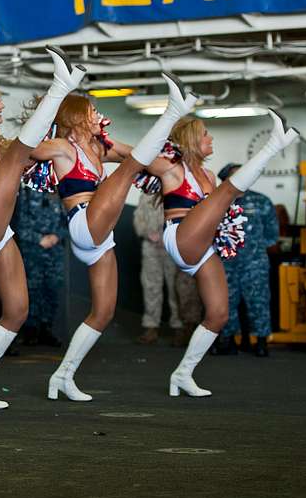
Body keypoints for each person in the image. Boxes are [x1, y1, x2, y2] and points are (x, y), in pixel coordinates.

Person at [38, 75, 196, 402]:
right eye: (92, 111)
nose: (98, 116)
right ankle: (172, 109)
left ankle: (62, 376)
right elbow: (22, 150)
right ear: (77, 118)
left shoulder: (100, 148)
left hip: (102, 236)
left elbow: (147, 159)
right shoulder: (62, 148)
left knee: (104, 311)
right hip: (83, 223)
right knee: (127, 171)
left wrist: (173, 170)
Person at [0, 45, 86, 409]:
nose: (2, 108)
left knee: (18, 309)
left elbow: (43, 147)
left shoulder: (4, 144)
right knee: (16, 157)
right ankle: (59, 84)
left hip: (0, 232)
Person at [147, 113, 298, 396]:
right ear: (192, 140)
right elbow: (135, 158)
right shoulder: (172, 168)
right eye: (205, 133)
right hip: (180, 236)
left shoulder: (208, 176)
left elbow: (216, 214)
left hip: (204, 246)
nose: (211, 138)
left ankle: (182, 374)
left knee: (219, 314)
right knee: (228, 191)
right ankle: (273, 145)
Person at [214, 163, 280, 357]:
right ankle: (228, 341)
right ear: (225, 179)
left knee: (258, 301)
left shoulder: (262, 201)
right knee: (226, 302)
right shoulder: (216, 202)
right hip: (226, 263)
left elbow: (272, 234)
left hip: (254, 264)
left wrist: (255, 250)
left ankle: (261, 342)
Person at [13, 186, 66, 347]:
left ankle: (46, 329)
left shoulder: (60, 191)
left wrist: (57, 236)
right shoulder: (27, 191)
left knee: (52, 288)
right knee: (32, 289)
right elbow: (19, 222)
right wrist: (38, 239)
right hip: (33, 248)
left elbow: (69, 219)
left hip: (55, 249)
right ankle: (30, 330)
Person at [133, 197, 182, 345]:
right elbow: (138, 219)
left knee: (176, 288)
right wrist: (147, 233)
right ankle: (151, 327)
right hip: (150, 247)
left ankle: (180, 328)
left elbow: (185, 217)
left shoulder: (175, 191)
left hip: (173, 246)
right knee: (151, 287)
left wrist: (169, 235)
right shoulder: (146, 195)